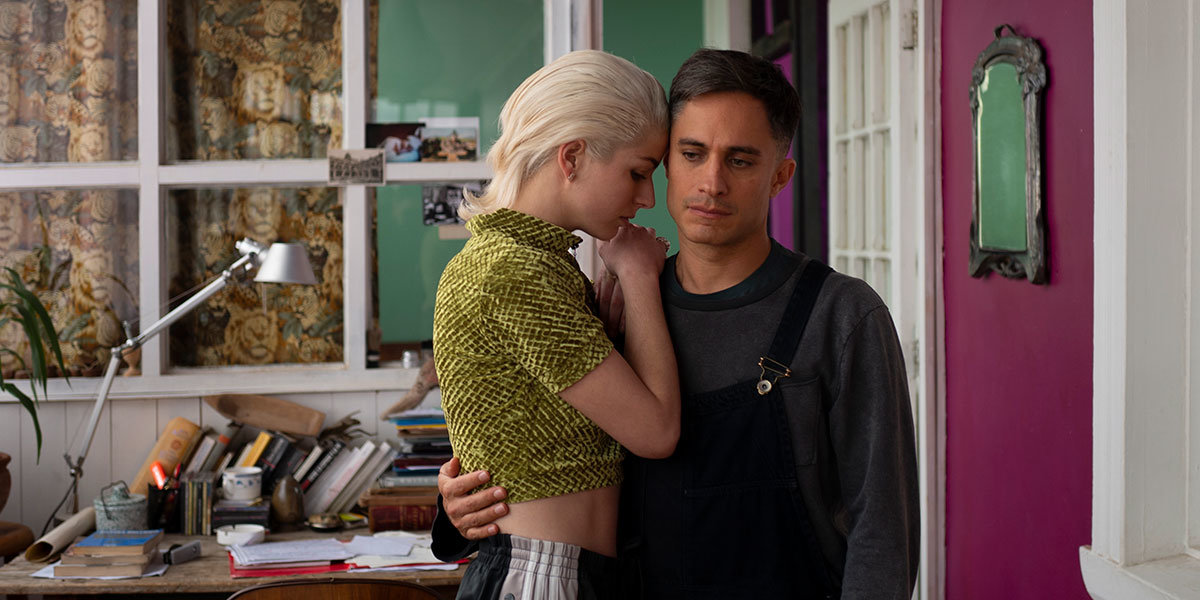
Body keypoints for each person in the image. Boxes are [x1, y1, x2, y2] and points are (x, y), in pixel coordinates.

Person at [434, 48, 920, 599]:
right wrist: (458, 506)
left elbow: (883, 531)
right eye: (691, 154)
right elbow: (544, 442)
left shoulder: (844, 316)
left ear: (780, 177)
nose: (711, 182)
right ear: (669, 163)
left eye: (741, 160)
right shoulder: (615, 304)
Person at [432, 49, 681, 599]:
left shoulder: (536, 264)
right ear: (572, 158)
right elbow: (656, 433)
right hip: (542, 576)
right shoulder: (511, 270)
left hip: (562, 572)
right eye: (638, 172)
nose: (648, 198)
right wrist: (639, 275)